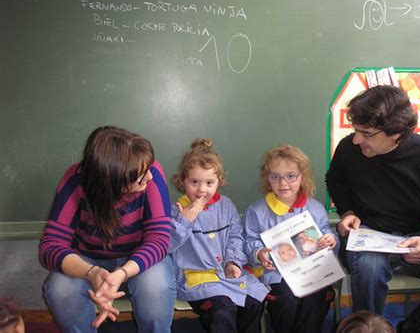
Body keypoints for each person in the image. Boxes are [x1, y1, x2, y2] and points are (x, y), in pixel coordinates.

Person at [325, 85, 420, 332]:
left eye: (366, 133)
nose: (356, 139)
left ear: (396, 132)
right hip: (368, 239)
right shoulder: (349, 149)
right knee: (369, 269)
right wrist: (348, 212)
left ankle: (411, 328)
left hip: (414, 238)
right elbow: (335, 180)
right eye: (356, 130)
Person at [39, 126, 176, 333]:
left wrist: (120, 274)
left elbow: (159, 239)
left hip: (138, 257)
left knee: (156, 286)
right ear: (110, 182)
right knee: (60, 289)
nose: (149, 177)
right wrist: (91, 272)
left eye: (147, 170)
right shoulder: (76, 180)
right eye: (139, 177)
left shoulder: (151, 172)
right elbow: (50, 247)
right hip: (87, 259)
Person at [169, 139, 268, 333]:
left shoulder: (226, 206)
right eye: (194, 182)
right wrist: (184, 221)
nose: (201, 190)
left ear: (219, 182)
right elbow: (167, 245)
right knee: (222, 310)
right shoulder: (176, 210)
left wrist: (233, 262)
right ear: (182, 181)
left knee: (253, 303)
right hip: (198, 279)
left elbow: (236, 237)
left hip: (226, 274)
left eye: (209, 183)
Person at [243, 144, 339, 333]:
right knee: (287, 299)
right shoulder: (257, 211)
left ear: (302, 177)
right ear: (267, 179)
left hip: (313, 270)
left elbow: (327, 233)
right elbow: (248, 241)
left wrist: (330, 240)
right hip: (277, 273)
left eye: (291, 176)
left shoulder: (315, 208)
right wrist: (259, 252)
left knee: (315, 297)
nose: (283, 183)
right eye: (275, 176)